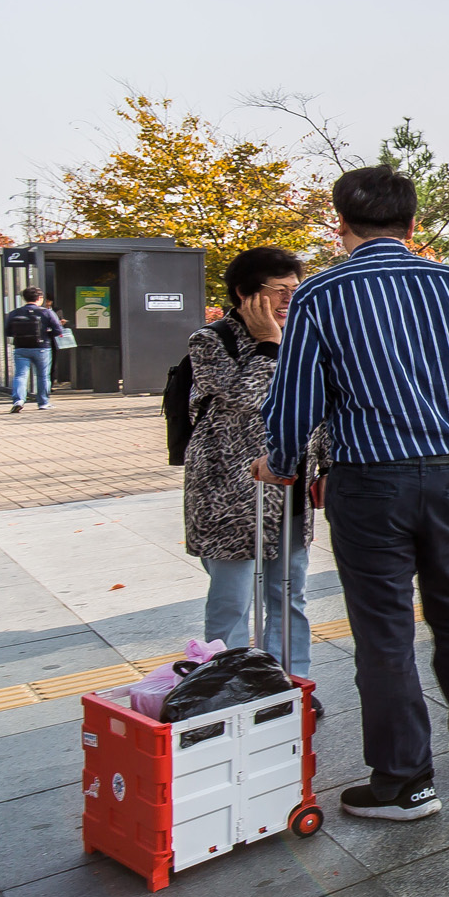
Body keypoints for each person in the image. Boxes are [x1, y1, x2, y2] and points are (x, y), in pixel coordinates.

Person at [260, 165, 449, 822]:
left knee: (384, 632)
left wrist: (282, 461)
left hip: (371, 481)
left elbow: (296, 399)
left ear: (340, 222)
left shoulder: (321, 295)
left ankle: (406, 782)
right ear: (413, 223)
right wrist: (441, 388)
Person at [186, 247, 323, 705]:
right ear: (245, 294)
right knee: (232, 600)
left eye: (294, 289)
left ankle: (291, 686)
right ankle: (224, 692)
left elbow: (318, 408)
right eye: (279, 290)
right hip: (227, 492)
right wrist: (268, 345)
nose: (289, 300)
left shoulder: (302, 335)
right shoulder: (210, 341)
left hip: (289, 485)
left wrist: (324, 466)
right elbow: (245, 399)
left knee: (290, 594)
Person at [4, 286, 64, 413]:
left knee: (20, 375)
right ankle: (43, 402)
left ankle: (18, 400)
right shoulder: (46, 312)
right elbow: (58, 330)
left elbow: (7, 331)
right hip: (42, 348)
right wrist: (46, 334)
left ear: (24, 298)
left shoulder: (15, 313)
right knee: (43, 376)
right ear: (40, 298)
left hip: (21, 348)